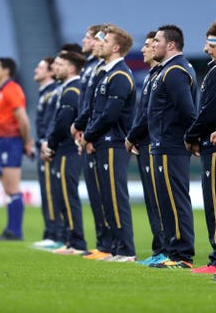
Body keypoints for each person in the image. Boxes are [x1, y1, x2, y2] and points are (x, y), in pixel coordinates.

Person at [79, 24, 136, 262]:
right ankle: (112, 246)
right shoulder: (105, 72)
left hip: (113, 142)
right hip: (102, 141)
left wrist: (88, 135)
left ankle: (125, 250)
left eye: (104, 41)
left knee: (115, 196)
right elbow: (94, 110)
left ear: (116, 47)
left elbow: (110, 114)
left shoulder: (120, 75)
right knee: (105, 197)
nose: (98, 43)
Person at [185, 21, 216, 274]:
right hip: (211, 142)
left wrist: (190, 135)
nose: (205, 49)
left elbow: (208, 112)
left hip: (215, 145)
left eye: (210, 44)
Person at [147, 24, 198, 269]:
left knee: (175, 199)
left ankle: (182, 255)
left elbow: (188, 111)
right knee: (166, 201)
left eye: (156, 40)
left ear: (171, 45)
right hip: (162, 144)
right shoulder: (167, 70)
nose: (152, 44)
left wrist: (190, 137)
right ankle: (171, 251)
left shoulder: (175, 71)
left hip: (172, 145)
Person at [71, 24, 112, 259]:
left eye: (91, 38)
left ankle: (114, 246)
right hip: (88, 135)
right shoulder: (92, 68)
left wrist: (88, 132)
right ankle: (103, 244)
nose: (87, 42)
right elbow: (87, 106)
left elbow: (100, 109)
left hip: (99, 138)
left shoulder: (106, 70)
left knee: (107, 195)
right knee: (97, 195)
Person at [125, 30, 166, 266]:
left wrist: (132, 136)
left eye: (149, 44)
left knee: (160, 200)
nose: (143, 49)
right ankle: (160, 249)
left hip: (155, 143)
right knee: (153, 200)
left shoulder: (165, 75)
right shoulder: (152, 76)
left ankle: (169, 250)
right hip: (146, 143)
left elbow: (149, 114)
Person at [42, 50, 87, 254]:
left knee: (68, 196)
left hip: (68, 149)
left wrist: (50, 144)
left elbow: (62, 124)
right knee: (62, 196)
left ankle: (76, 242)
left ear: (70, 68)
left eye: (59, 65)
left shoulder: (72, 90)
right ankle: (70, 241)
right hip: (64, 148)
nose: (55, 68)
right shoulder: (68, 89)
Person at [0, 57, 34, 240]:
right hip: (3, 141)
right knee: (8, 188)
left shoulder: (12, 89)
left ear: (6, 71)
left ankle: (15, 231)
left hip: (11, 141)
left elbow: (22, 119)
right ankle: (11, 229)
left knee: (13, 187)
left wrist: (25, 142)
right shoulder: (2, 91)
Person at [33, 57, 64, 248]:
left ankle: (55, 234)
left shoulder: (52, 92)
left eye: (40, 67)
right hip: (43, 145)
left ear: (51, 72)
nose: (36, 70)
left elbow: (52, 121)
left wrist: (45, 142)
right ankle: (50, 232)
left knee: (52, 192)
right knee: (47, 192)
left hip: (49, 147)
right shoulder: (45, 93)